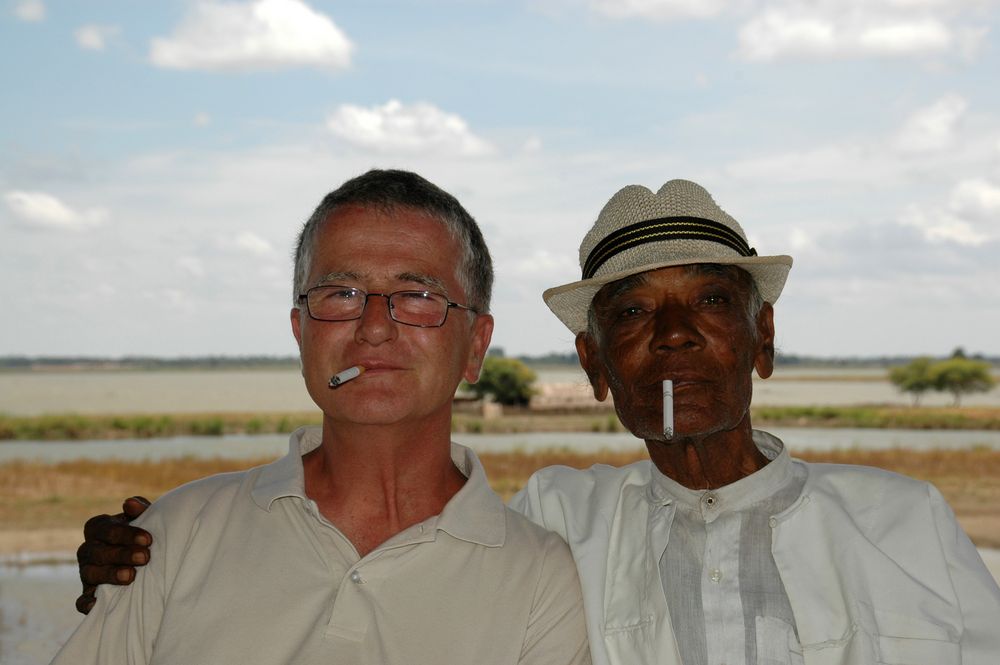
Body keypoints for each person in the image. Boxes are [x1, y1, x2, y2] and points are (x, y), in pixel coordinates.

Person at [76, 178, 1000, 665]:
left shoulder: (903, 520)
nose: (674, 336)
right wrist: (139, 550)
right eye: (632, 315)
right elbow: (404, 509)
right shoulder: (557, 522)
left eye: (710, 303)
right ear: (596, 367)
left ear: (762, 339)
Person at [53, 169, 590, 665]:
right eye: (342, 293)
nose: (374, 327)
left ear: (476, 346)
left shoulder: (542, 577)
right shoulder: (176, 532)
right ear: (300, 334)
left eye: (418, 295)